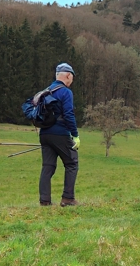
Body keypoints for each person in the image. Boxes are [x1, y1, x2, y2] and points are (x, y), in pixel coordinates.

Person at [39, 63, 81, 207]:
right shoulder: (65, 92)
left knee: (48, 166)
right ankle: (68, 198)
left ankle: (44, 200)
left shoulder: (46, 91)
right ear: (68, 75)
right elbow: (69, 114)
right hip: (60, 133)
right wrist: (75, 135)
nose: (71, 82)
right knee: (72, 163)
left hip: (44, 134)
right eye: (72, 78)